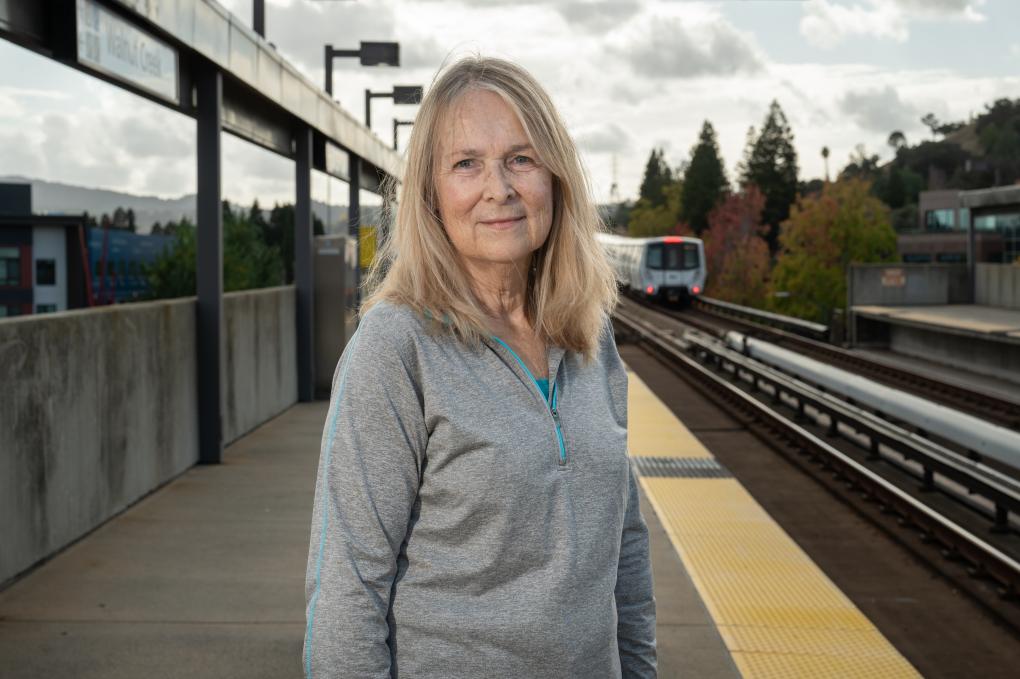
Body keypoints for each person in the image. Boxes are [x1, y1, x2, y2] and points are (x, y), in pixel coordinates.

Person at [304, 56, 656, 679]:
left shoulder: (588, 334)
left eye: (521, 158)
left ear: (555, 177)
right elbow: (347, 586)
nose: (500, 188)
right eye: (467, 164)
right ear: (433, 196)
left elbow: (623, 546)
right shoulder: (396, 348)